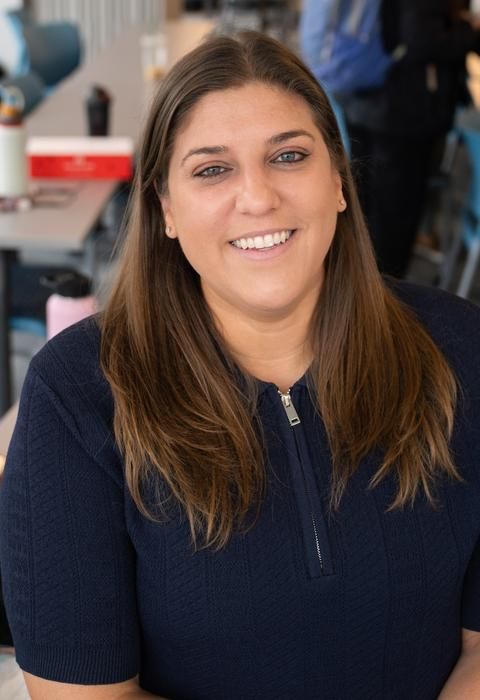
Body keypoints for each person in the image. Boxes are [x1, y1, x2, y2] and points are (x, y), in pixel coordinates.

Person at [0, 30, 480, 700]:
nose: (258, 198)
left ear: (338, 182)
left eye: (288, 156)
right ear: (164, 208)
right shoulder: (77, 398)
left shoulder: (460, 349)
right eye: (211, 169)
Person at [301, 0, 480, 278]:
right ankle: (385, 303)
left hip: (360, 91)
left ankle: (358, 288)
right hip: (400, 113)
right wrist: (472, 33)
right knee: (393, 220)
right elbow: (421, 39)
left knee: (367, 207)